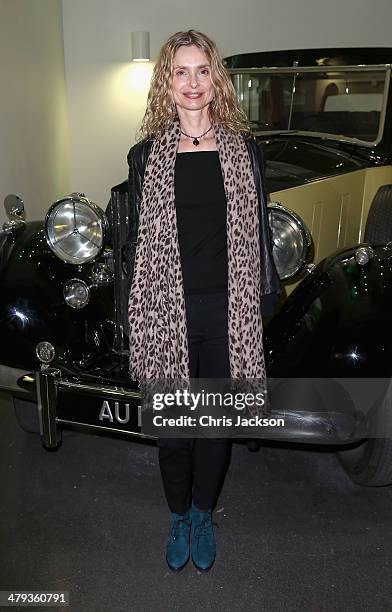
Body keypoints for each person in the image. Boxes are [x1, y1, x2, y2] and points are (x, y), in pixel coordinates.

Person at [126, 30, 280, 572]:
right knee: (173, 431)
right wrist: (136, 314)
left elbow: (258, 235)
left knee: (215, 424)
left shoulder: (245, 153)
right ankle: (175, 514)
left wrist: (259, 305)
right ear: (166, 85)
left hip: (226, 310)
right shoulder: (146, 156)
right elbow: (137, 244)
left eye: (202, 71)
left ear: (217, 80)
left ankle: (201, 513)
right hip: (167, 309)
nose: (192, 83)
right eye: (180, 72)